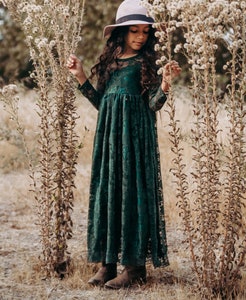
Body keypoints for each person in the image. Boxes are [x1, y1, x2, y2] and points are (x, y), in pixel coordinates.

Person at [67, 0, 181, 289]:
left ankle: (134, 268)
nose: (141, 37)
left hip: (137, 142)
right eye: (134, 31)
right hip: (109, 142)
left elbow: (153, 104)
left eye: (145, 31)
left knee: (133, 195)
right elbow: (101, 103)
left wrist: (165, 83)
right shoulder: (111, 64)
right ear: (121, 33)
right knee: (109, 194)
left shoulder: (146, 64)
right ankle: (107, 264)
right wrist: (80, 76)